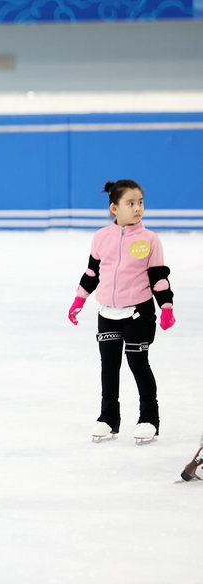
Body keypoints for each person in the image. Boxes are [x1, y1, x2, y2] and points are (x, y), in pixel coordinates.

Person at [67, 179, 175, 444]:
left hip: (138, 312)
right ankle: (108, 418)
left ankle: (149, 418)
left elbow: (158, 278)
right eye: (130, 203)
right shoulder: (101, 237)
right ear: (114, 208)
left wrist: (167, 307)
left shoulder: (150, 240)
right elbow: (92, 273)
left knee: (138, 364)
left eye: (140, 202)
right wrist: (79, 300)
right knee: (109, 366)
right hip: (107, 312)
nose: (138, 208)